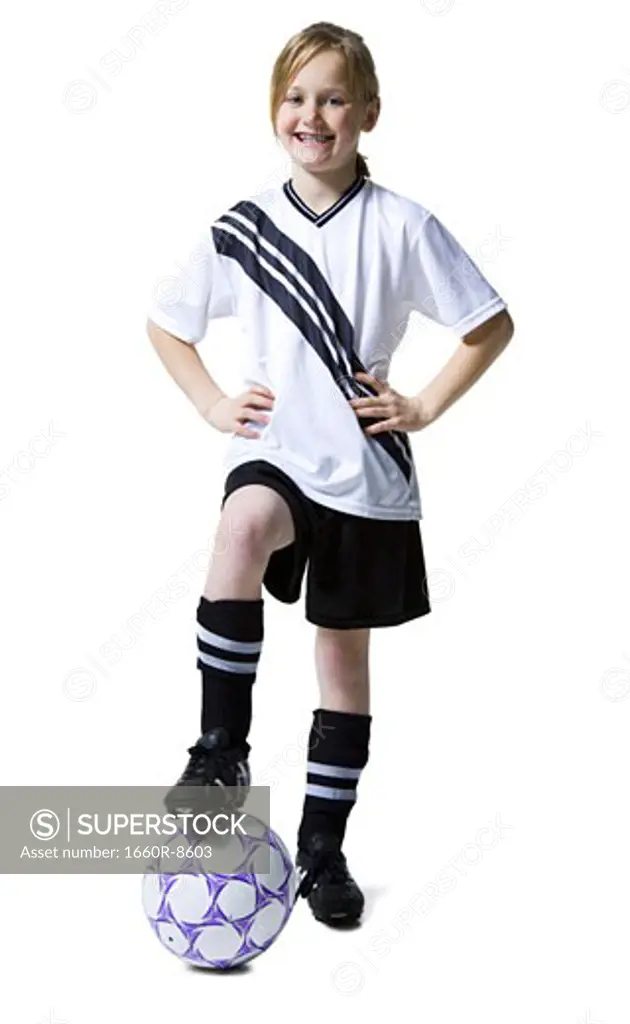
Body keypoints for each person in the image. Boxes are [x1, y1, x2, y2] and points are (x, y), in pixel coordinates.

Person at [145, 21, 514, 927]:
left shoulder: (404, 223)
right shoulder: (244, 227)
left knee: (342, 659)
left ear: (369, 113)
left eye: (334, 97)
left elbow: (490, 323)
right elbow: (167, 321)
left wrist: (421, 405)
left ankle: (321, 850)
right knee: (239, 529)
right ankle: (220, 751)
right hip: (276, 455)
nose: (313, 115)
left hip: (367, 472)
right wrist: (208, 402)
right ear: (275, 109)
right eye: (298, 96)